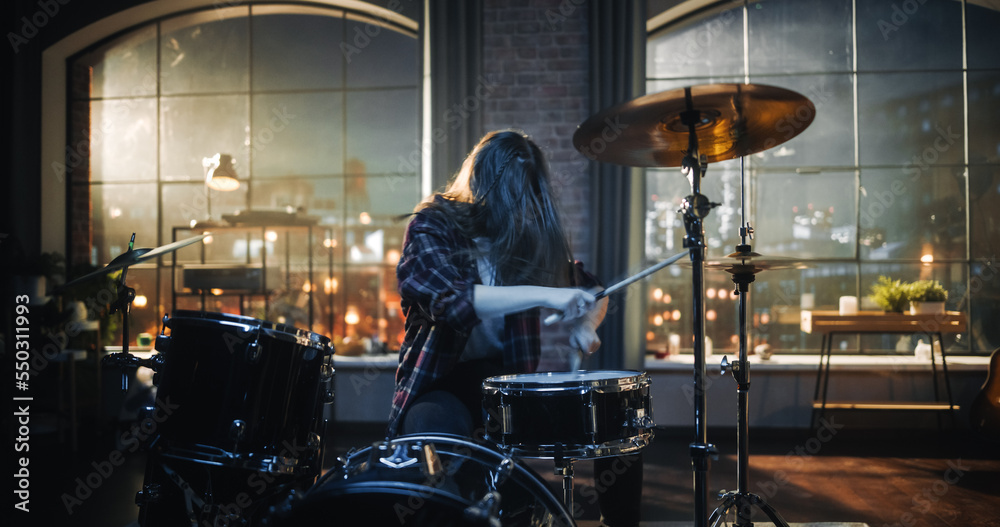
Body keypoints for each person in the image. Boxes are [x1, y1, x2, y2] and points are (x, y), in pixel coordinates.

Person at [387, 129, 642, 527]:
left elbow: (594, 290)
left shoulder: (521, 240)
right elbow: (452, 304)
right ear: (485, 185)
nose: (523, 208)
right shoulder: (431, 225)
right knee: (438, 445)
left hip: (507, 388)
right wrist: (546, 294)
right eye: (515, 195)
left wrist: (587, 326)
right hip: (442, 384)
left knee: (617, 415)